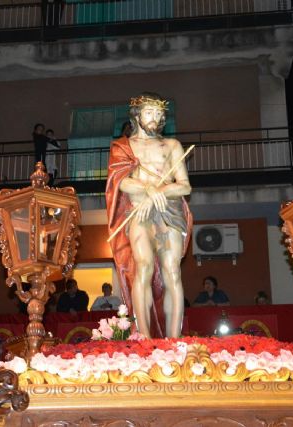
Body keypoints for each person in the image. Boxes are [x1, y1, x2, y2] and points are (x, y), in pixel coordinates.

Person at [106, 92, 193, 338]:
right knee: (142, 267)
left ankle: (174, 340)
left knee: (172, 270)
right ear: (137, 115)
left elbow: (185, 186)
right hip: (139, 212)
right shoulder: (123, 147)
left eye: (158, 114)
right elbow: (120, 182)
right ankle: (143, 337)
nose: (155, 118)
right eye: (149, 112)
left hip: (169, 212)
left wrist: (161, 190)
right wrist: (148, 189)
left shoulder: (172, 145)